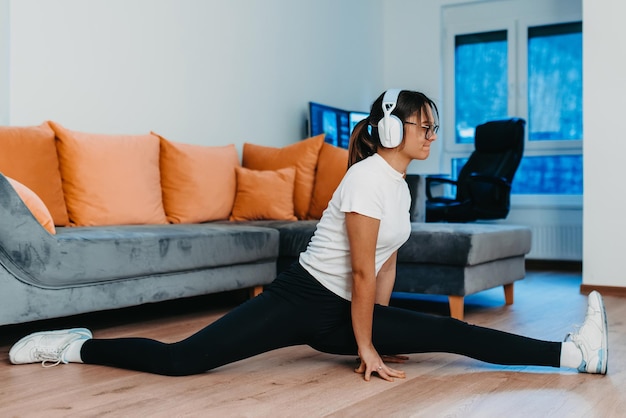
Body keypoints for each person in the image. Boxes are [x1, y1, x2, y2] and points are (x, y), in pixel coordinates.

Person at [9, 89, 608, 381]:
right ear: (393, 129)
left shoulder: (400, 188)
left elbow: (386, 265)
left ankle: (572, 355)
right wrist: (366, 347)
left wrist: (376, 330)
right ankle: (71, 345)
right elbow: (356, 269)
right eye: (424, 126)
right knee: (184, 360)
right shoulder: (369, 181)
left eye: (433, 126)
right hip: (303, 300)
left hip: (346, 309)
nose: (433, 134)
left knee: (452, 333)